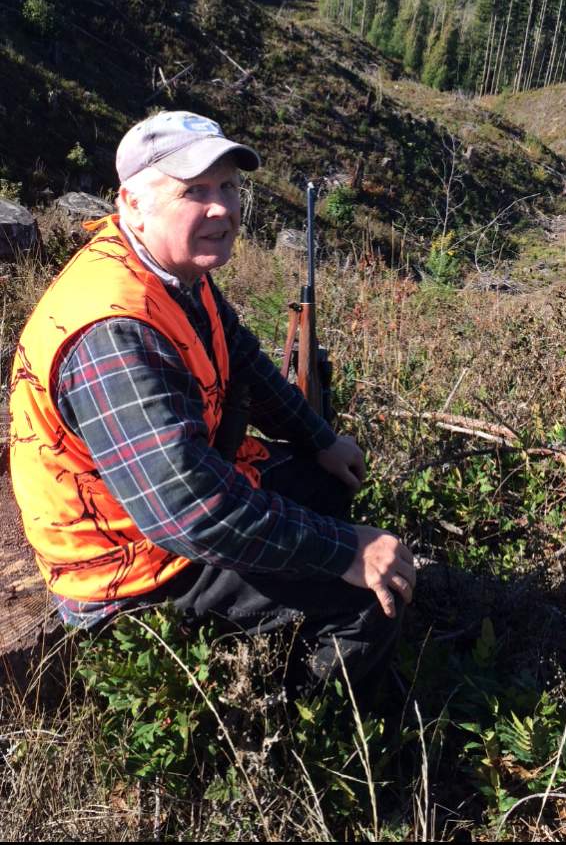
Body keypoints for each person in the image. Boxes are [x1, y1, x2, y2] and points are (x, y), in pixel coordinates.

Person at [10, 110, 415, 702]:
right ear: (133, 202)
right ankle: (290, 738)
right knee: (368, 601)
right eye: (194, 191)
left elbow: (242, 357)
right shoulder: (112, 332)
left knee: (329, 493)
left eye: (228, 186)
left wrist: (320, 441)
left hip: (171, 500)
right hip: (128, 563)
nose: (222, 208)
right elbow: (189, 514)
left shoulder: (167, 270)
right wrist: (344, 552)